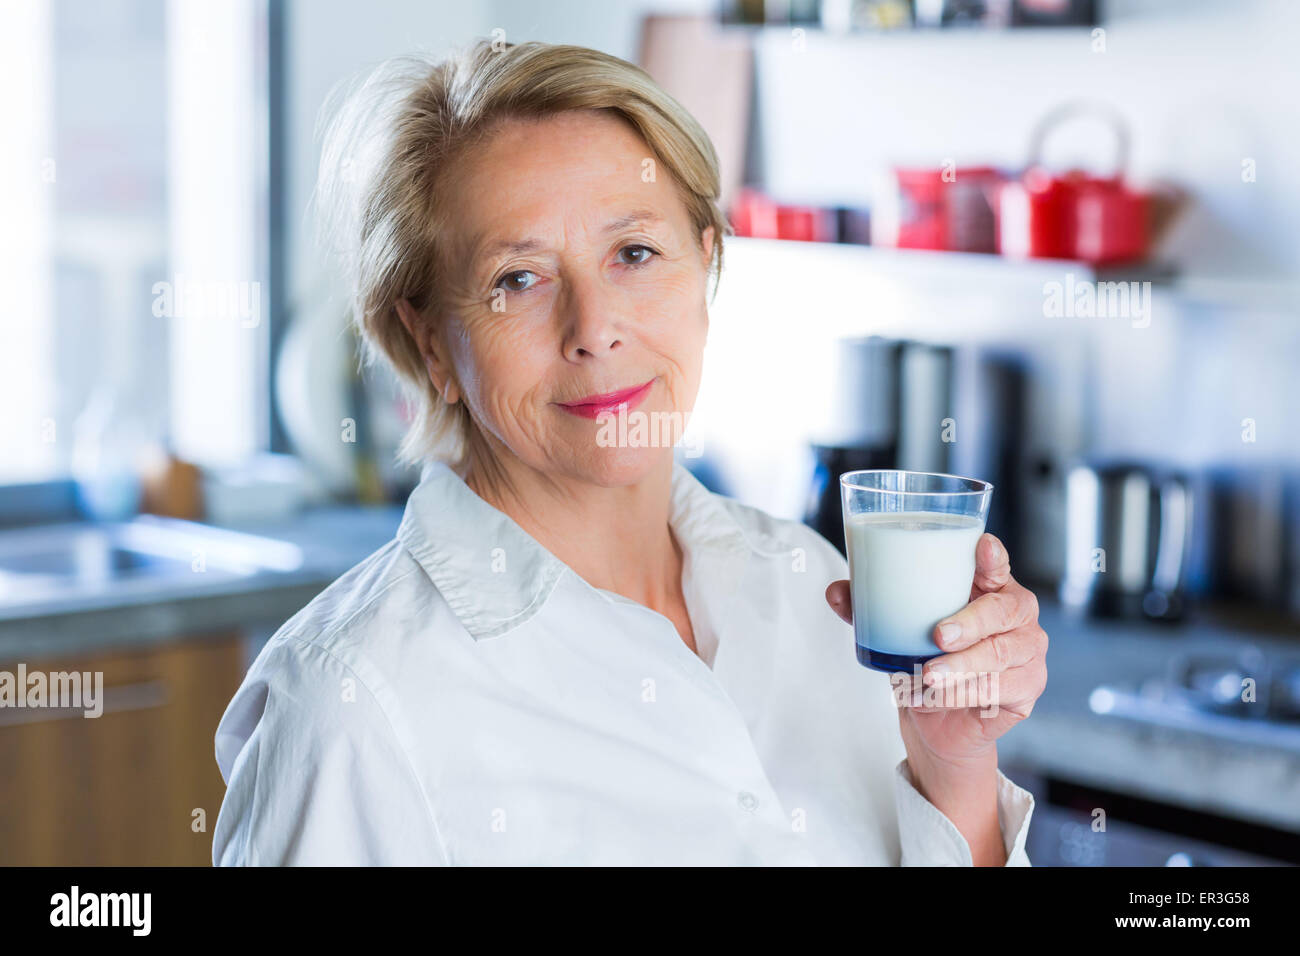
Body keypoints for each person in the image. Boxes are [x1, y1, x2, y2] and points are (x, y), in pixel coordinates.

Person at [212, 38, 1047, 866]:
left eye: (635, 254)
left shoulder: (808, 583)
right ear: (430, 342)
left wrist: (954, 769)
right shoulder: (348, 704)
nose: (595, 329)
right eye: (518, 278)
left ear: (706, 270)